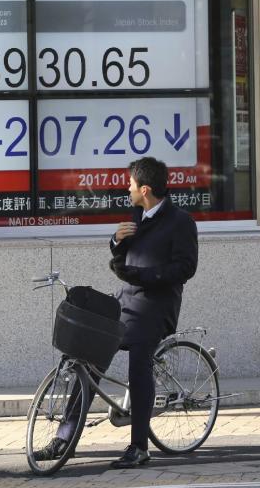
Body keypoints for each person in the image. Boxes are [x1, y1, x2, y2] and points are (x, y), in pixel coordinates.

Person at [35, 157, 198, 469]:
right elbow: (123, 254)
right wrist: (116, 241)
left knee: (139, 362)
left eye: (131, 184)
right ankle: (63, 439)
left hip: (156, 307)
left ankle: (139, 447)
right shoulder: (137, 214)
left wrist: (140, 276)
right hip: (126, 299)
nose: (128, 188)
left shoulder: (181, 222)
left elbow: (185, 268)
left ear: (145, 189)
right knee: (88, 357)